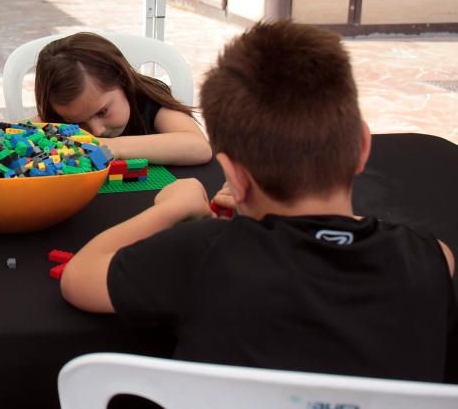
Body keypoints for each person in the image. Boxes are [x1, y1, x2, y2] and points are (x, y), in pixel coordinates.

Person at [60, 21, 456, 382]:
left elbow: (79, 278)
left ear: (233, 174)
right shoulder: (433, 258)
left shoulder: (202, 252)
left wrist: (171, 209)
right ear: (363, 147)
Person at [33, 32, 211, 165]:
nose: (97, 131)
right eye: (76, 123)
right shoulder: (57, 119)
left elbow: (199, 147)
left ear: (124, 81)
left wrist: (115, 147)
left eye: (102, 111)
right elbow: (13, 135)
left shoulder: (148, 100)